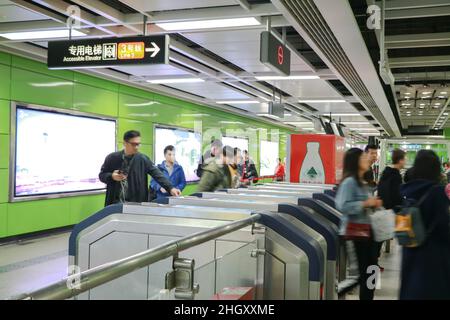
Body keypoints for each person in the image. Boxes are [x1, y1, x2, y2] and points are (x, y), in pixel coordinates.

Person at [399, 150, 450, 300]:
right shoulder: (438, 194)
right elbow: (444, 230)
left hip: (410, 258)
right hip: (434, 261)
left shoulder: (408, 193)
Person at [335, 148, 383, 300]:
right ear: (356, 162)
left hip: (368, 232)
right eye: (363, 158)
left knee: (371, 271)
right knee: (361, 275)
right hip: (354, 233)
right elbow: (342, 205)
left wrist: (373, 204)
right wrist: (365, 203)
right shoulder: (349, 182)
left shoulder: (362, 182)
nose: (367, 160)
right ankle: (333, 293)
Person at [99, 130, 181, 206]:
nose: (136, 147)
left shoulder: (143, 159)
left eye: (138, 144)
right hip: (114, 204)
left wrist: (171, 188)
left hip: (136, 203)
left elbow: (157, 174)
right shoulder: (112, 158)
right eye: (133, 144)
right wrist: (112, 176)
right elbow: (102, 175)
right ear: (125, 143)